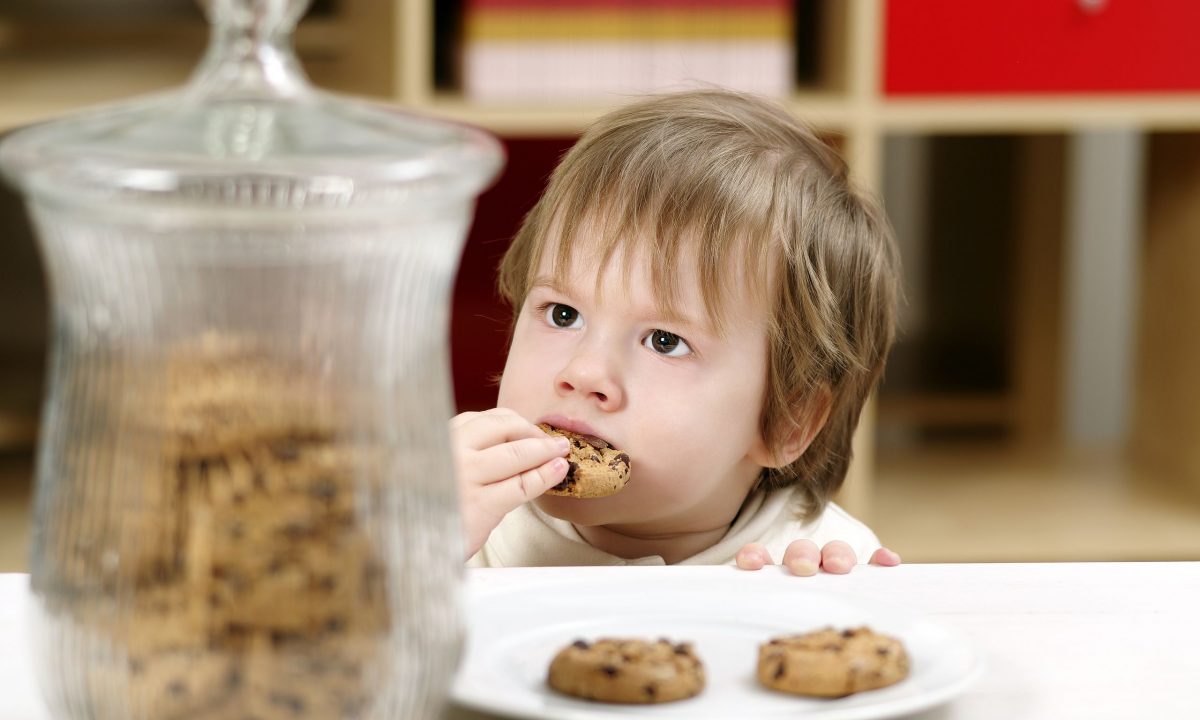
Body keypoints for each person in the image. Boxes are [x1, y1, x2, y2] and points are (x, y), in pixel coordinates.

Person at [453, 89, 901, 576]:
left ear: (788, 420)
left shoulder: (808, 559)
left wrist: (830, 606)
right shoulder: (455, 513)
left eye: (665, 341)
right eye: (563, 314)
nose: (583, 373)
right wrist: (407, 552)